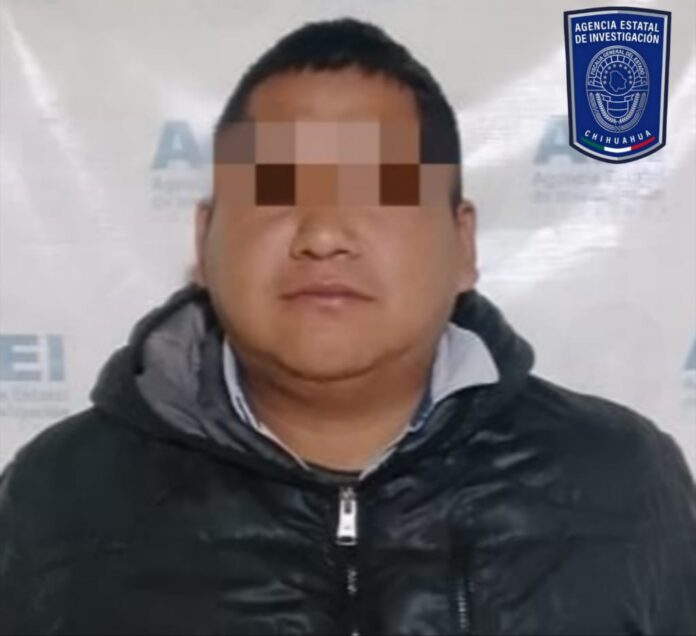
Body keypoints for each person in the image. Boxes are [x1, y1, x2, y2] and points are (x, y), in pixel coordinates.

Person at [1, 17, 694, 636]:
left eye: (380, 188)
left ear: (462, 244)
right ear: (205, 240)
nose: (324, 234)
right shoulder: (57, 499)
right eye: (275, 188)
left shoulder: (623, 482)